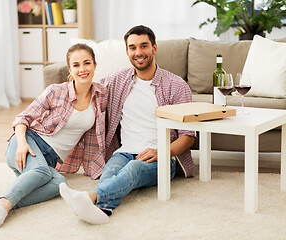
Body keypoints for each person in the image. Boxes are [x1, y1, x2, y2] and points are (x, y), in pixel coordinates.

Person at [59, 25, 195, 225]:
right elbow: (87, 87)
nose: (138, 52)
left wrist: (162, 152)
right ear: (127, 52)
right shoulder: (117, 80)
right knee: (110, 172)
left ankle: (88, 197)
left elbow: (188, 136)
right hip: (123, 151)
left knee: (133, 170)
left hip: (164, 158)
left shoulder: (176, 85)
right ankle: (102, 210)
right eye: (132, 48)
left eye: (144, 46)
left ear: (154, 48)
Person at [0, 43, 107, 228]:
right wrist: (23, 143)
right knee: (41, 172)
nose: (82, 69)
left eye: (87, 63)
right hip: (26, 144)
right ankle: (3, 203)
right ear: (70, 69)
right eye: (76, 65)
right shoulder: (56, 91)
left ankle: (1, 203)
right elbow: (22, 118)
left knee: (59, 184)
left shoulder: (101, 94)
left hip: (49, 159)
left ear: (95, 66)